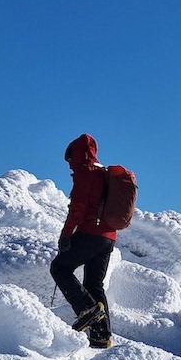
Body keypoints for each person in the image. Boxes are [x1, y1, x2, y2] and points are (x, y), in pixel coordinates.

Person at [50, 133, 116, 348]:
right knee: (94, 284)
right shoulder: (103, 173)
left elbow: (78, 207)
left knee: (60, 268)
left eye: (69, 159)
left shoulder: (86, 172)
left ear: (76, 154)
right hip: (108, 237)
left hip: (91, 232)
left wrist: (66, 234)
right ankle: (101, 337)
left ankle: (87, 309)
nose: (69, 165)